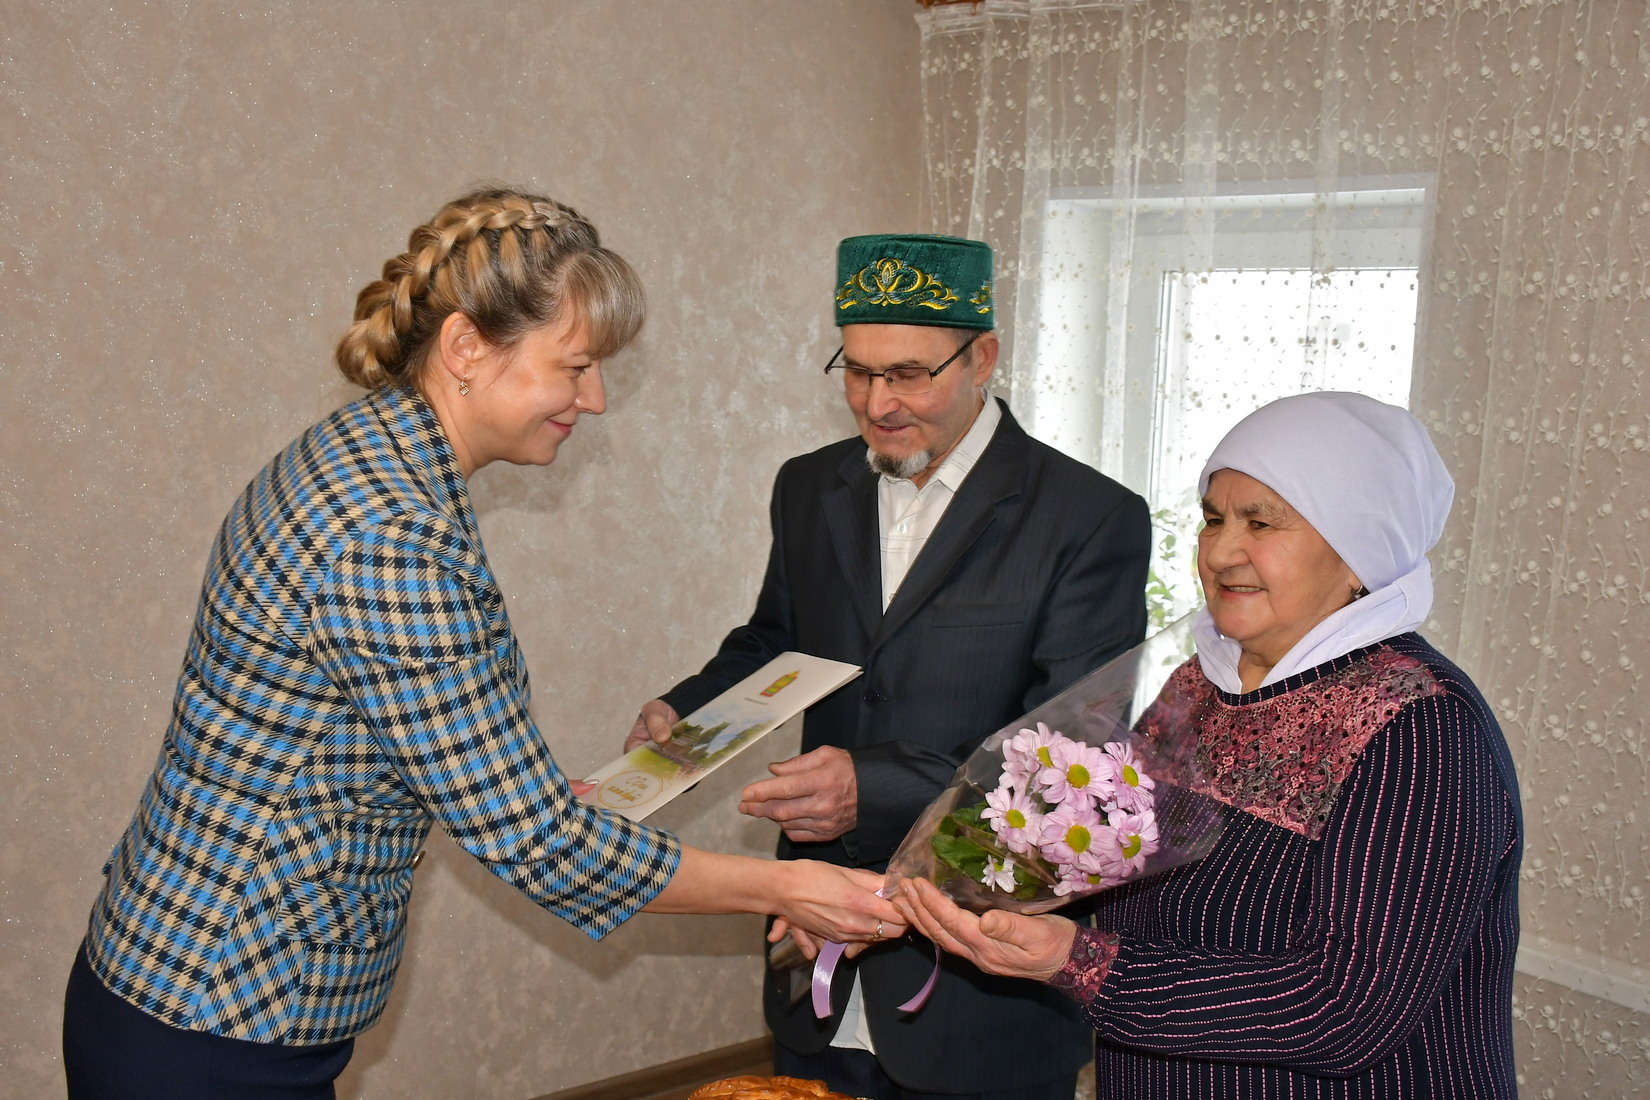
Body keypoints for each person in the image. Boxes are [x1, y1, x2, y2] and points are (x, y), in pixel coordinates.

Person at [62, 187, 904, 1100]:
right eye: (575, 366)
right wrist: (784, 888)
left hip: (192, 981)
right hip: (217, 1009)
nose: (595, 398)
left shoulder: (371, 453)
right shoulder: (391, 535)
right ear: (466, 347)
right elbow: (539, 845)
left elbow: (400, 737)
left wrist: (520, 790)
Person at [626, 234, 1152, 1100]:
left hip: (979, 977)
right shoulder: (808, 485)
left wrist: (871, 785)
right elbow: (777, 641)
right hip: (814, 933)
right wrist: (686, 716)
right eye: (859, 372)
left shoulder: (1089, 516)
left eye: (908, 373)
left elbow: (1071, 755)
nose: (878, 403)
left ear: (983, 357)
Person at [894, 392, 1523, 1100]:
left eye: (1261, 522)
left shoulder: (1421, 729)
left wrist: (1083, 964)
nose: (1220, 552)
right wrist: (949, 885)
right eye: (1213, 519)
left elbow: (1347, 1011)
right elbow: (1101, 852)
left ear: (1359, 553)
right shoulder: (1199, 685)